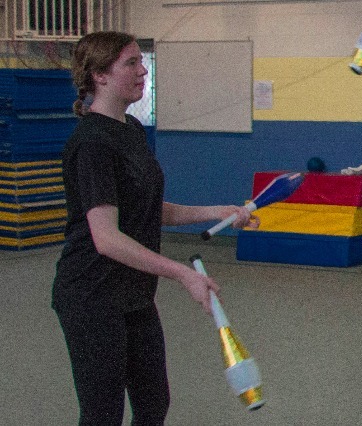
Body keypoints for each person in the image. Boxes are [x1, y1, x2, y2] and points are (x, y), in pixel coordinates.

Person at [53, 31, 256, 425]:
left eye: (140, 62)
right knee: (103, 415)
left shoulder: (130, 129)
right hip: (92, 298)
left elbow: (146, 209)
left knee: (153, 405)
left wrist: (219, 211)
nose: (143, 70)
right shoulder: (91, 143)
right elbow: (107, 238)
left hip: (134, 294)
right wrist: (182, 273)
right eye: (131, 63)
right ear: (100, 76)